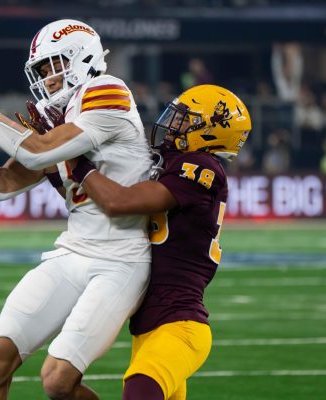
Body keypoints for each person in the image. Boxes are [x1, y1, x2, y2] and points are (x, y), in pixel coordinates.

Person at [0, 19, 152, 400]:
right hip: (73, 250)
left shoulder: (108, 90)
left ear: (83, 58)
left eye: (54, 65)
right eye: (42, 70)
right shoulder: (63, 116)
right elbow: (1, 185)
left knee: (58, 381)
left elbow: (38, 151)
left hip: (121, 260)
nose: (47, 78)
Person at [67, 84, 252, 400]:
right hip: (149, 327)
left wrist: (78, 163)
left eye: (185, 119)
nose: (172, 124)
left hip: (179, 323)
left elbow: (118, 201)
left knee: (140, 389)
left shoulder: (202, 167)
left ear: (210, 131)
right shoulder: (169, 163)